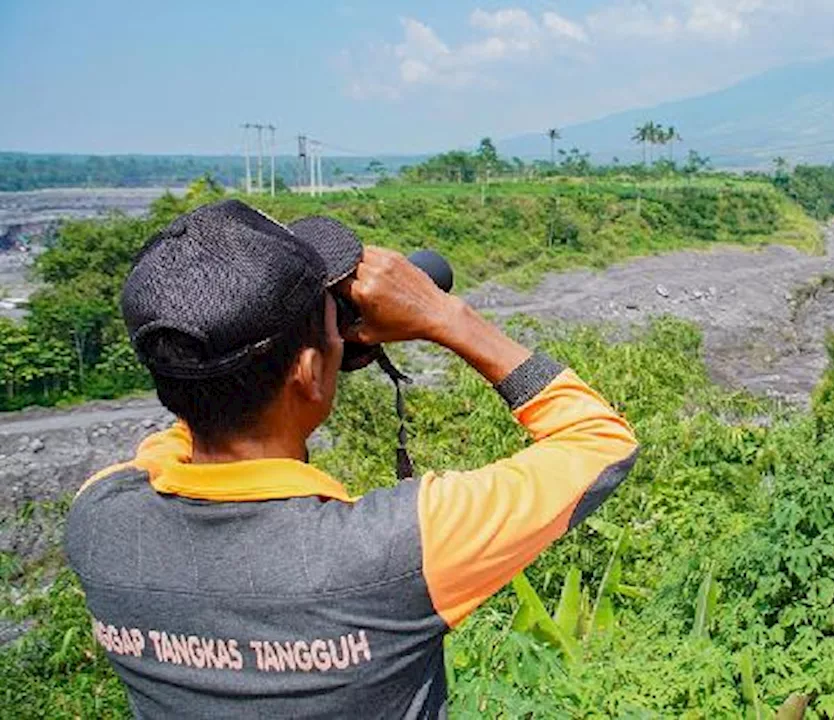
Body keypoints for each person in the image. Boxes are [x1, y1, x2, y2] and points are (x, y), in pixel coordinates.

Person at [63, 199, 639, 718]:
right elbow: (599, 442)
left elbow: (179, 437)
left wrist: (291, 353)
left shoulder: (99, 518)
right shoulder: (398, 548)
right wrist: (444, 316)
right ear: (310, 374)